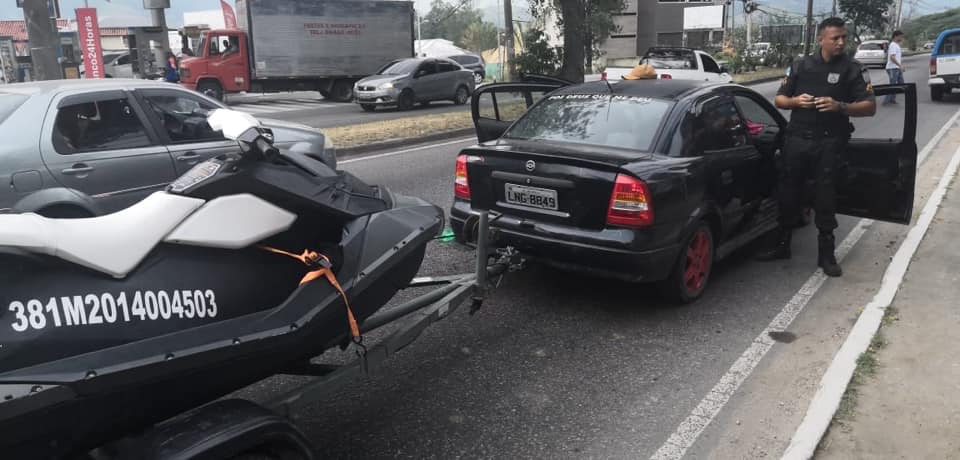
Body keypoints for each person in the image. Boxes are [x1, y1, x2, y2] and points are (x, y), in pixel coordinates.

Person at [756, 17, 877, 277]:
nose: (841, 42)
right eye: (835, 38)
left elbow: (870, 107)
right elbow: (779, 99)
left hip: (829, 141)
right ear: (820, 39)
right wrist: (796, 101)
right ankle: (782, 243)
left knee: (825, 194)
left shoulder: (852, 69)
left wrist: (840, 106)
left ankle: (826, 252)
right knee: (788, 191)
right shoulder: (801, 65)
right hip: (797, 139)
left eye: (844, 37)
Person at [884, 30, 905, 105]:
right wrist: (900, 65)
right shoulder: (893, 45)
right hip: (892, 68)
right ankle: (886, 101)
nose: (902, 38)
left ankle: (892, 99)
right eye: (901, 36)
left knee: (900, 84)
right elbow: (892, 57)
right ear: (896, 36)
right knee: (893, 85)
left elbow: (896, 57)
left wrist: (900, 66)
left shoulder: (896, 45)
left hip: (896, 68)